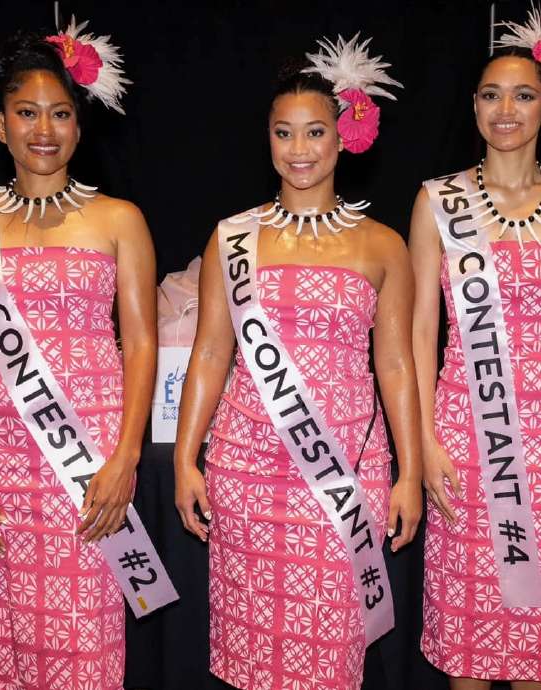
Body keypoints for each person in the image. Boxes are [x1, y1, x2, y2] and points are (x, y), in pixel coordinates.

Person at [173, 34, 423, 690]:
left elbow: (396, 365)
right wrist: (184, 458)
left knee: (331, 652)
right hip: (245, 470)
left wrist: (410, 474)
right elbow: (210, 352)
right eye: (284, 133)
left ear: (344, 139)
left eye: (315, 132)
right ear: (268, 140)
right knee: (252, 653)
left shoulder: (382, 245)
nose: (300, 149)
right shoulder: (232, 237)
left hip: (343, 473)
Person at [0, 19, 172, 690]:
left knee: (84, 637)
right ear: (0, 126)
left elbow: (142, 341)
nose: (44, 128)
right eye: (27, 113)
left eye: (61, 114)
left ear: (80, 125)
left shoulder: (119, 219)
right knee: (2, 634)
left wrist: (125, 456)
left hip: (87, 462)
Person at [412, 8, 541, 689]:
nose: (506, 109)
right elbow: (417, 329)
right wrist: (425, 444)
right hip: (464, 432)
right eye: (492, 94)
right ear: (473, 106)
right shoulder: (437, 201)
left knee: (537, 626)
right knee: (467, 624)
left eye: (523, 94)